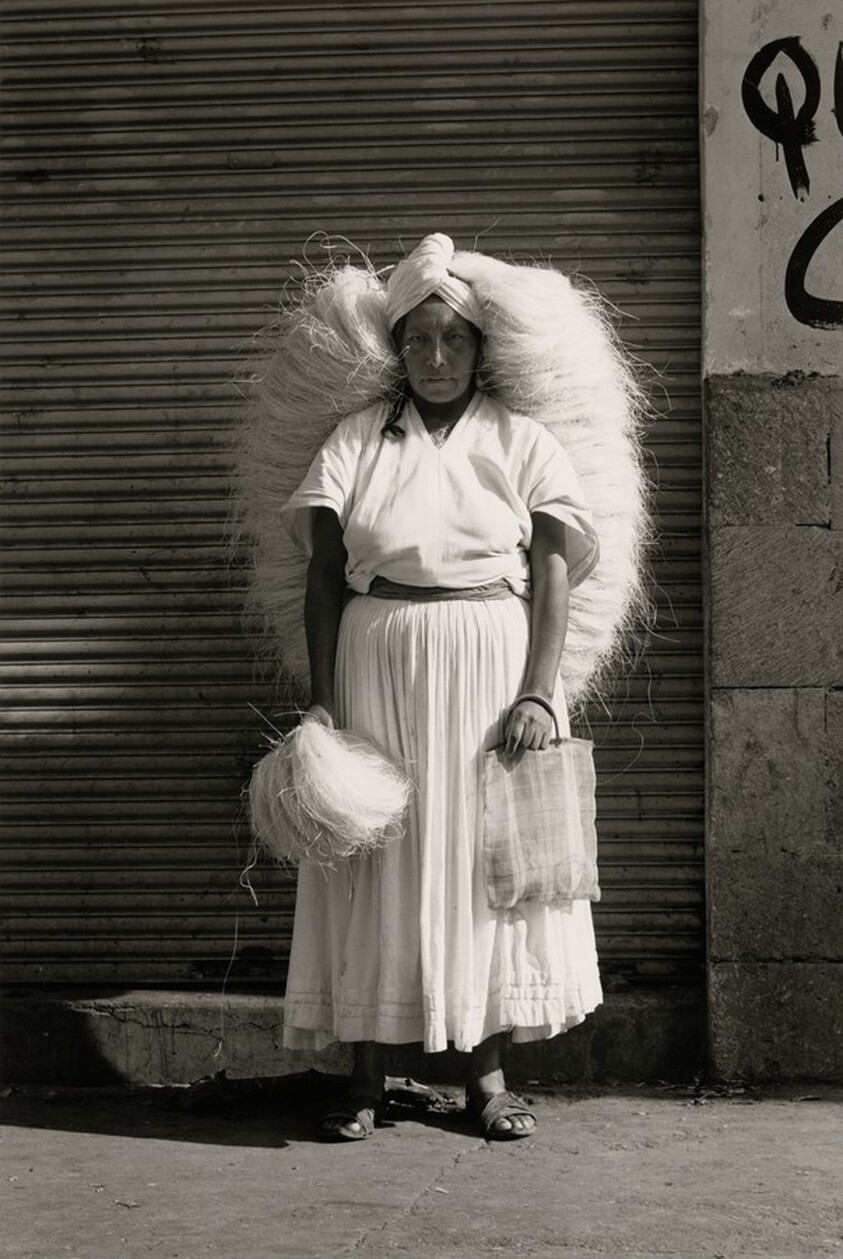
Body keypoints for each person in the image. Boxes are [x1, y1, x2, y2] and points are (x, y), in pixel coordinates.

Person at [274, 234, 617, 1141]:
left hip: (492, 665)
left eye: (453, 339)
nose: (435, 357)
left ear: (478, 347)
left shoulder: (520, 439)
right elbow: (323, 574)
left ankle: (487, 1079)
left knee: (484, 866)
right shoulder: (357, 439)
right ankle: (364, 1077)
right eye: (418, 340)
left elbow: (552, 573)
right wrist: (323, 700)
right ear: (397, 348)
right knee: (370, 860)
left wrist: (538, 692)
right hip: (375, 659)